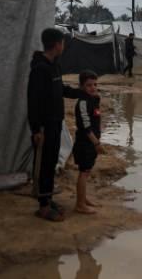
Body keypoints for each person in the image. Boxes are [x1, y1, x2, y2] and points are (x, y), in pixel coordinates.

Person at [28, 28, 82, 222]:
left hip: (55, 123)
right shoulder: (40, 69)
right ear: (57, 44)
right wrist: (36, 129)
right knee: (43, 164)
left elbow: (61, 89)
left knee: (50, 163)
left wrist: (80, 92)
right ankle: (43, 207)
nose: (64, 46)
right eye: (63, 42)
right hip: (44, 127)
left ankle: (48, 199)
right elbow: (33, 101)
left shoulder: (54, 66)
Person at [72, 70, 103, 214]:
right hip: (85, 143)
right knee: (83, 172)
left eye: (95, 84)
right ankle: (80, 205)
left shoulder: (92, 100)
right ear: (81, 86)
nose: (93, 87)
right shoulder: (83, 102)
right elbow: (86, 127)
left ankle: (83, 199)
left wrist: (96, 99)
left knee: (87, 170)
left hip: (91, 143)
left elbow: (96, 116)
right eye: (89, 85)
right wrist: (97, 143)